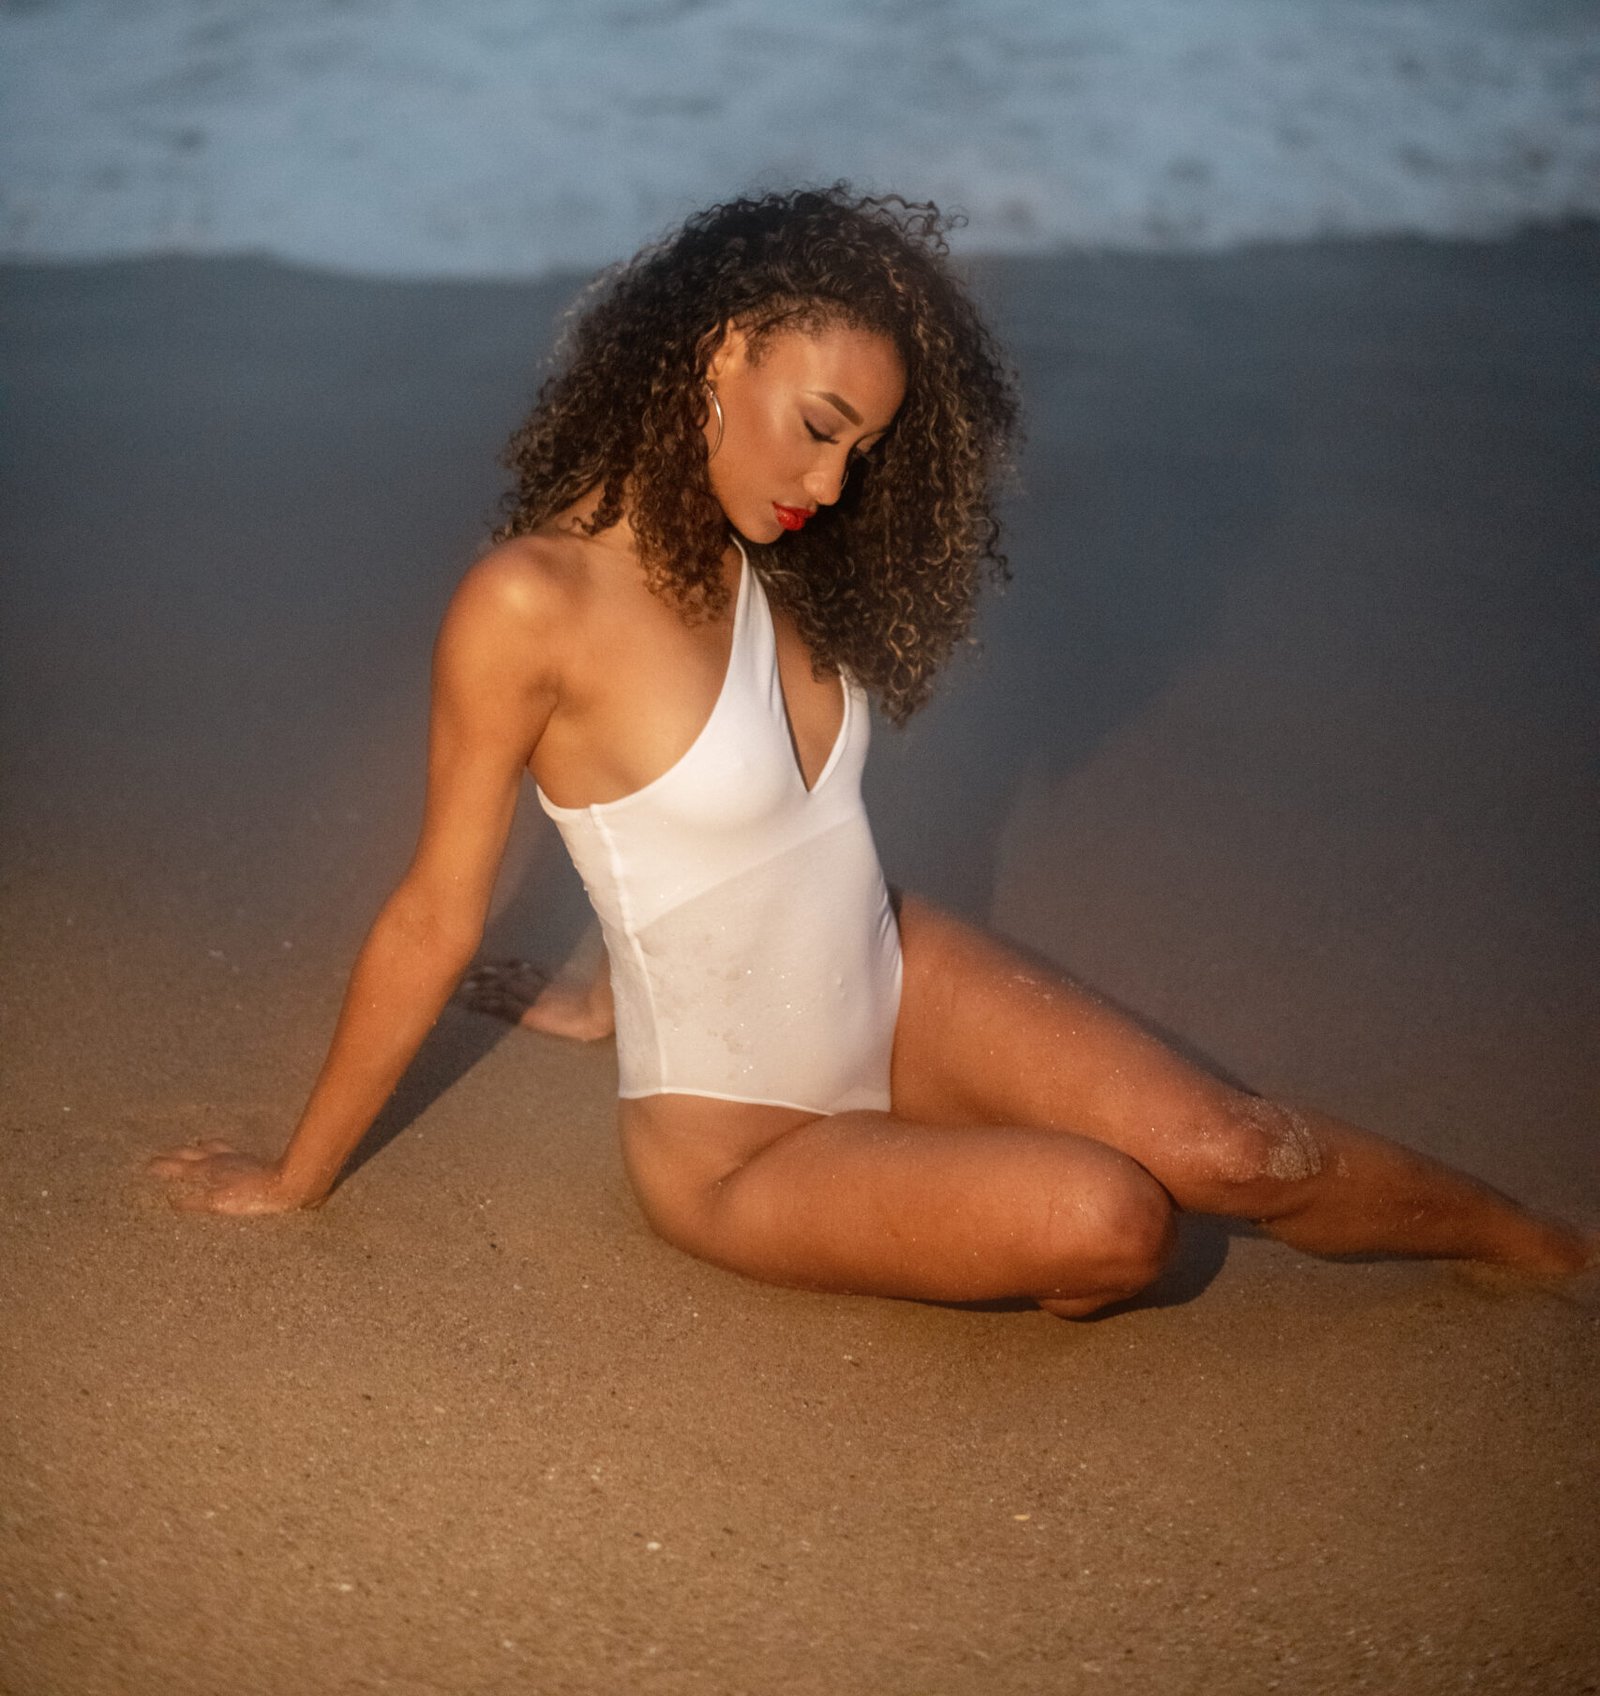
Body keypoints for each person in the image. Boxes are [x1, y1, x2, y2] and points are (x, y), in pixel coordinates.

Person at [151, 189, 1594, 1316]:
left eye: (861, 452)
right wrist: (293, 1179)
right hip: (745, 1150)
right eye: (820, 429)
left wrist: (599, 993)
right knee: (1115, 1220)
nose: (832, 485)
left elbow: (744, 839)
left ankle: (1544, 1247)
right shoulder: (531, 603)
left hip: (891, 972)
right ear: (722, 351)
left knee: (1235, 1152)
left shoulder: (754, 559)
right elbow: (433, 911)